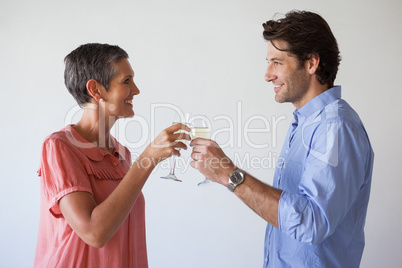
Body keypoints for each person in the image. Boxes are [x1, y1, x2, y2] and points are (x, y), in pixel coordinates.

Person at [190, 10, 374, 268]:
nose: (267, 74)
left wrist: (228, 174)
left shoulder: (336, 127)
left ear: (311, 63)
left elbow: (311, 224)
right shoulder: (306, 122)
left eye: (277, 62)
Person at [34, 43, 191, 267]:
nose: (136, 90)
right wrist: (148, 158)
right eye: (126, 81)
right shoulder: (59, 146)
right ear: (95, 90)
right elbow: (94, 233)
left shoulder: (122, 153)